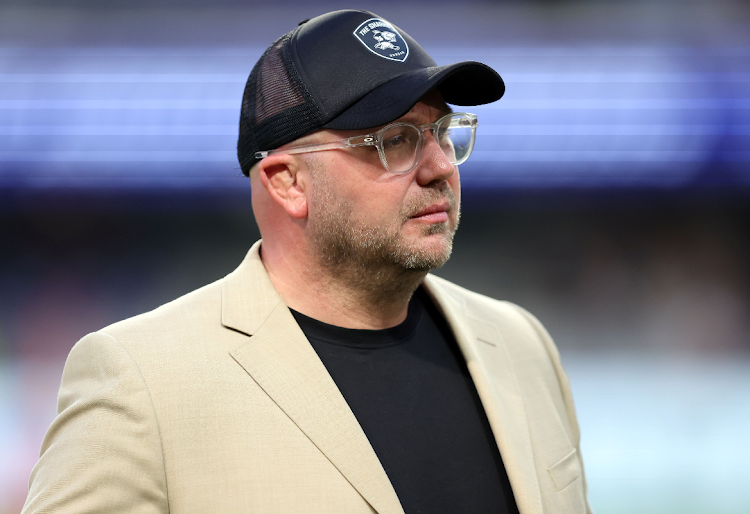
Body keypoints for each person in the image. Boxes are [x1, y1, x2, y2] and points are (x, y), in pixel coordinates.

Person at [22, 10, 592, 514]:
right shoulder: (140, 381)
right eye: (395, 140)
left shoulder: (522, 343)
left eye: (443, 133)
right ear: (289, 183)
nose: (441, 167)